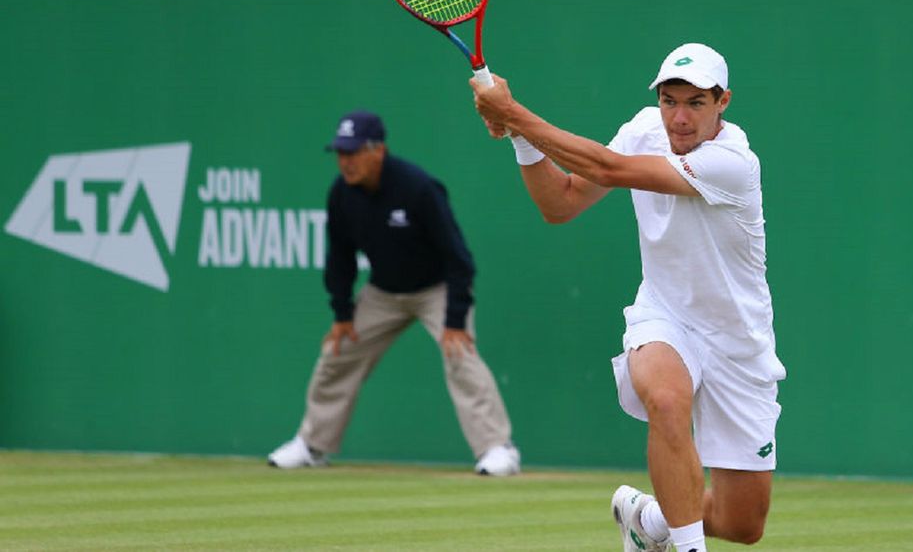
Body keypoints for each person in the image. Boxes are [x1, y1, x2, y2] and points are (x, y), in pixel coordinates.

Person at [470, 44, 786, 550]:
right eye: (669, 101)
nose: (679, 118)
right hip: (664, 316)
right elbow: (562, 203)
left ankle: (650, 522)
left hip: (737, 341)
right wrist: (520, 138)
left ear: (723, 102)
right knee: (665, 397)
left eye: (696, 104)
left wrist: (514, 114)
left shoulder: (734, 163)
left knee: (743, 523)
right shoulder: (645, 129)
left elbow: (611, 170)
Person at [268, 110, 520, 476]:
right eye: (340, 153)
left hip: (437, 289)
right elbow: (339, 259)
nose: (345, 162)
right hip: (383, 292)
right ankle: (312, 445)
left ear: (378, 150)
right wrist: (341, 315)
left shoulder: (418, 188)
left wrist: (454, 319)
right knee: (337, 353)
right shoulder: (340, 194)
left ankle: (499, 449)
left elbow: (459, 259)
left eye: (353, 152)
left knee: (460, 354)